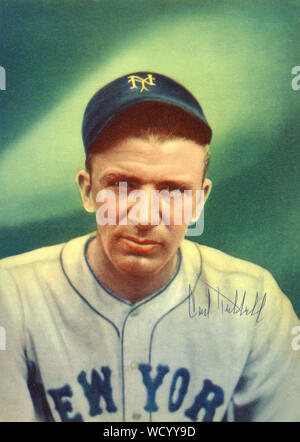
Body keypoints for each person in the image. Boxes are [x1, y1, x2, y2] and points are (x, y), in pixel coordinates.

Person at [0, 72, 299, 422]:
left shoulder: (254, 300)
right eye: (123, 185)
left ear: (199, 201)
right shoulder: (11, 295)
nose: (144, 216)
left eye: (173, 191)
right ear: (87, 190)